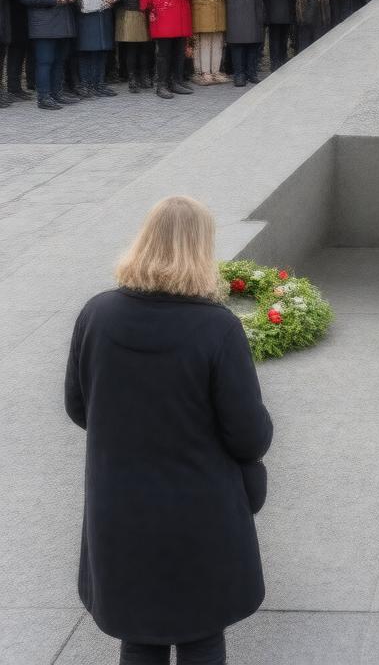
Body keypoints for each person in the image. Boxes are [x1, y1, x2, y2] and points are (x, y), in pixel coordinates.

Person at [65, 196, 273, 665]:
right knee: (201, 635)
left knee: (140, 637)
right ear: (202, 250)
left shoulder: (97, 314)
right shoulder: (217, 328)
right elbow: (248, 436)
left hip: (119, 507)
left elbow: (79, 408)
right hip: (200, 512)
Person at [17, 0, 79, 110]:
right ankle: (44, 97)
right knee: (45, 61)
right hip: (43, 25)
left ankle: (56, 93)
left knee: (59, 60)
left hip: (64, 21)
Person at [140, 0, 197, 100]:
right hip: (163, 13)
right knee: (164, 52)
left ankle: (176, 81)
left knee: (179, 50)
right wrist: (155, 4)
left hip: (181, 12)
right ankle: (162, 85)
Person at [72, 0, 118, 97]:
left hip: (103, 14)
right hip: (86, 16)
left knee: (101, 50)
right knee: (86, 51)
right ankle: (86, 84)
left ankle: (99, 84)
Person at [113, 0, 152, 93]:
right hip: (129, 11)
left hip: (146, 11)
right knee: (132, 47)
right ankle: (132, 78)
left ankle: (145, 75)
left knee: (146, 46)